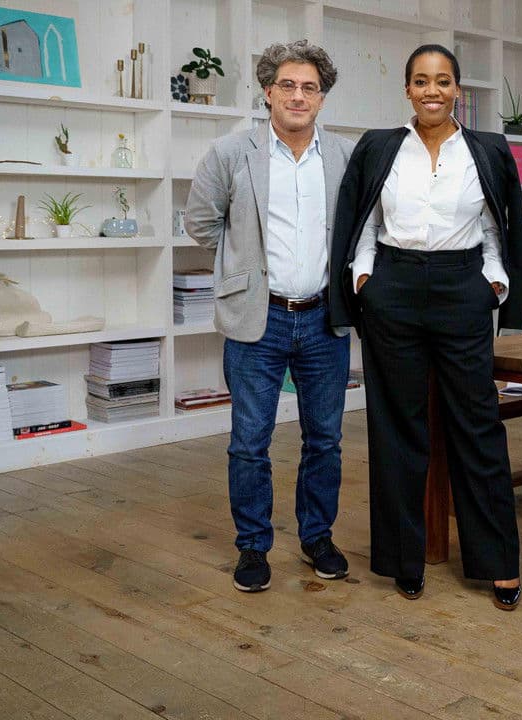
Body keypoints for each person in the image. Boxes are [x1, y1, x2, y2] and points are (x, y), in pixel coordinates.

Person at [332, 44, 522, 610]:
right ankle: (404, 558)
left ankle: (498, 562)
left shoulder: (488, 149)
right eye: (421, 81)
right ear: (407, 90)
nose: (432, 91)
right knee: (397, 428)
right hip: (392, 290)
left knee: (478, 424)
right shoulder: (379, 147)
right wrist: (365, 278)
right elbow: (364, 219)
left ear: (457, 90)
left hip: (462, 289)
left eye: (443, 81)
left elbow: (497, 225)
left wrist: (494, 284)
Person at [185, 40, 356, 593]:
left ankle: (317, 538)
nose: (298, 96)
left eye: (310, 87)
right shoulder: (230, 153)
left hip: (324, 318)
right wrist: (241, 263)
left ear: (322, 97)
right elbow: (200, 222)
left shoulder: (344, 155)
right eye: (288, 85)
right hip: (258, 318)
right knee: (249, 441)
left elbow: (361, 225)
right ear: (267, 91)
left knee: (324, 439)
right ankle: (253, 546)